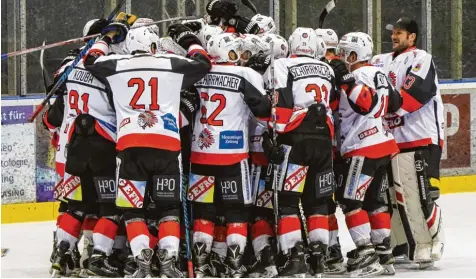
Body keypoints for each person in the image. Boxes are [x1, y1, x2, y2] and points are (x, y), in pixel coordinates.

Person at [84, 14, 212, 277]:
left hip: (130, 146)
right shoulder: (170, 63)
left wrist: (107, 37)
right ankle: (168, 263)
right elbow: (203, 64)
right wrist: (187, 38)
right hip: (166, 146)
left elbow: (90, 60)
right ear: (154, 47)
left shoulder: (116, 64)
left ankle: (142, 260)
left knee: (133, 208)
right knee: (168, 208)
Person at [188, 33, 271, 278]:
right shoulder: (246, 75)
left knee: (204, 211)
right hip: (233, 153)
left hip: (200, 153)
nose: (241, 56)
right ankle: (235, 265)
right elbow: (264, 112)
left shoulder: (197, 73)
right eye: (237, 52)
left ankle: (202, 264)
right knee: (237, 211)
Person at [263, 27, 335, 277]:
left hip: (296, 140)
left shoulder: (282, 65)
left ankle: (295, 258)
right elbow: (332, 103)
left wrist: (272, 135)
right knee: (317, 202)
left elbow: (279, 106)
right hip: (324, 140)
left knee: (288, 201)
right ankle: (320, 259)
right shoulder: (327, 68)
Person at [329, 31, 403, 277]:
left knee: (351, 201)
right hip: (383, 145)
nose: (340, 56)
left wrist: (346, 80)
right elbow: (395, 102)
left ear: (353, 54)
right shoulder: (378, 73)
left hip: (363, 147)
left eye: (344, 52)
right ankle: (384, 253)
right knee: (375, 202)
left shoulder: (358, 75)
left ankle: (365, 253)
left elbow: (366, 104)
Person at [382, 17, 445, 267]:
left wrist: (380, 105)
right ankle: (403, 244)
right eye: (393, 33)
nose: (394, 36)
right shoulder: (383, 60)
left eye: (400, 33)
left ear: (412, 37)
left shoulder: (421, 58)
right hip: (394, 141)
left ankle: (433, 241)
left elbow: (413, 96)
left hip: (422, 138)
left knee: (422, 194)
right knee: (393, 197)